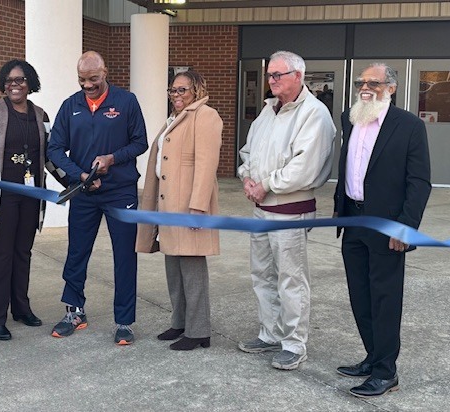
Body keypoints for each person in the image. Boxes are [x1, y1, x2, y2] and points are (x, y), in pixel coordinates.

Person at [334, 63, 431, 398]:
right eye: (362, 81)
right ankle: (373, 357)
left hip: (388, 228)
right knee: (360, 296)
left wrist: (405, 228)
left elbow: (419, 183)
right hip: (352, 222)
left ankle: (386, 372)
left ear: (391, 87)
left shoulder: (409, 126)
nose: (366, 86)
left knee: (385, 300)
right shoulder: (351, 117)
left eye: (374, 82)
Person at [237, 51, 336, 370]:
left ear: (298, 76)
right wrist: (248, 177)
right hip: (260, 208)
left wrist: (266, 184)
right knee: (262, 273)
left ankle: (294, 343)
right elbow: (248, 150)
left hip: (290, 209)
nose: (271, 80)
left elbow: (305, 167)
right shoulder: (267, 113)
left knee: (290, 278)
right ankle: (270, 333)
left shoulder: (314, 114)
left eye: (278, 75)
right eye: (269, 75)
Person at [47, 51, 148, 345]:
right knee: (77, 252)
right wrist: (79, 175)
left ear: (105, 73)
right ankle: (74, 311)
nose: (87, 86)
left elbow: (140, 142)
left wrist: (112, 158)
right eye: (82, 80)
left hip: (120, 191)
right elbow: (54, 149)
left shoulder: (126, 102)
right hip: (84, 191)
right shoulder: (71, 106)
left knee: (124, 256)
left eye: (93, 79)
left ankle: (125, 322)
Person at [135, 71, 222, 351]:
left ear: (196, 90)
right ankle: (180, 322)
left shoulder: (205, 115)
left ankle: (199, 331)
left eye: (182, 90)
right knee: (173, 265)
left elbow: (207, 164)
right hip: (168, 204)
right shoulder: (174, 118)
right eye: (172, 91)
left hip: (188, 206)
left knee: (192, 268)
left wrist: (197, 207)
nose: (176, 95)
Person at [0, 59, 50, 341]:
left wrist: (74, 183)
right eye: (10, 81)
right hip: (0, 197)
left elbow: (49, 156)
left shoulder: (41, 115)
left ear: (30, 84)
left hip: (30, 196)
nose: (15, 85)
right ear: (3, 84)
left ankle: (21, 309)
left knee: (22, 253)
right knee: (0, 255)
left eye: (21, 80)